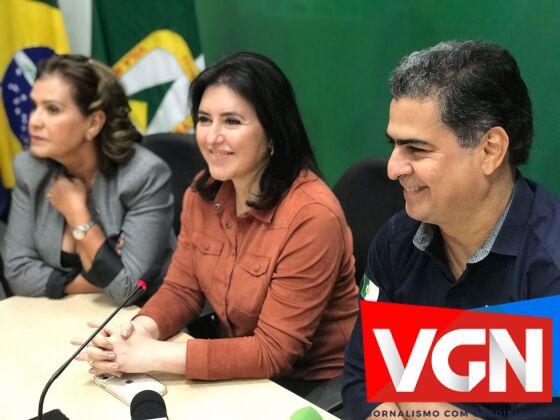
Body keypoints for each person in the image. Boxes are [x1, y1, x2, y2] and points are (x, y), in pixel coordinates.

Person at [79, 52, 359, 394]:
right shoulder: (202, 192)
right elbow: (182, 289)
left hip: (312, 386)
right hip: (238, 366)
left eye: (232, 121)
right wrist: (141, 331)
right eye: (204, 119)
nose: (212, 138)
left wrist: (155, 355)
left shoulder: (312, 216)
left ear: (272, 131)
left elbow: (275, 352)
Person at [342, 41, 560, 419]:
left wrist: (415, 401)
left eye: (416, 149)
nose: (393, 168)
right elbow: (361, 377)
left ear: (490, 150)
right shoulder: (396, 242)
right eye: (394, 145)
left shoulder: (549, 271)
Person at [2, 54, 175, 304]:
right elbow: (17, 272)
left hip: (142, 322)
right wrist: (95, 279)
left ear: (93, 123)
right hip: (62, 319)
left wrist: (77, 214)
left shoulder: (143, 175)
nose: (34, 121)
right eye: (34, 106)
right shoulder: (30, 169)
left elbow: (129, 290)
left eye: (52, 109)